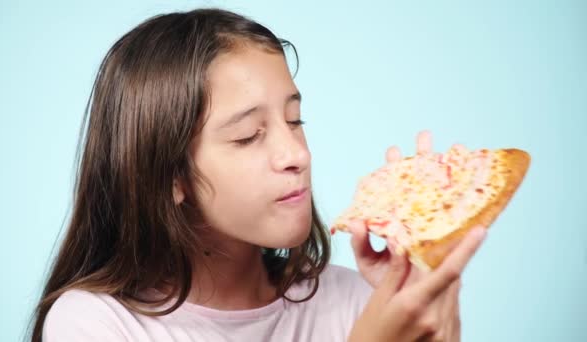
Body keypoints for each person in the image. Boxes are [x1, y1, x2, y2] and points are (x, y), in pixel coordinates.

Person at [28, 8, 486, 342]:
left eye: (295, 120)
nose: (296, 155)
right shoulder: (94, 323)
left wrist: (421, 292)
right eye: (249, 136)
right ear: (169, 175)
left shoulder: (356, 299)